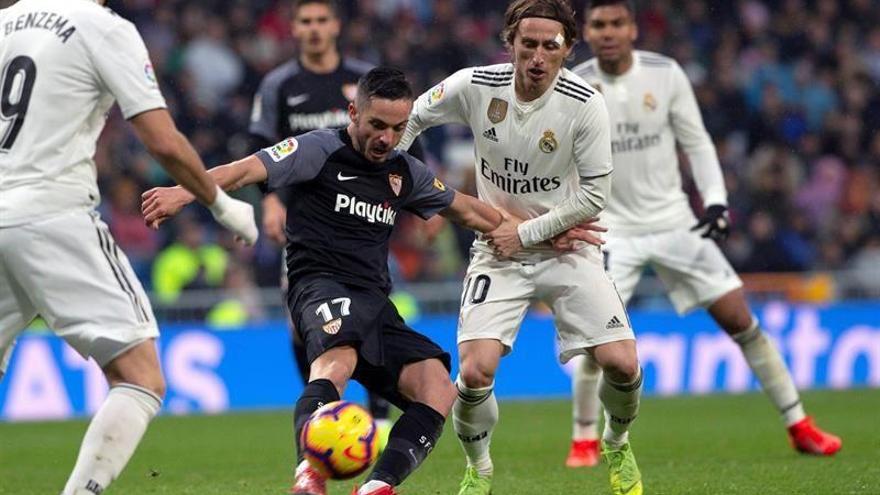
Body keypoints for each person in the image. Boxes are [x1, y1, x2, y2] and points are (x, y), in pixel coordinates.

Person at [142, 67, 585, 495]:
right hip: (318, 284)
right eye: (376, 125)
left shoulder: (403, 171)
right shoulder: (318, 149)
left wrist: (543, 229)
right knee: (337, 361)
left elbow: (469, 210)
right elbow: (244, 169)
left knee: (436, 387)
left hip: (374, 299)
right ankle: (309, 476)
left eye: (397, 128)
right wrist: (185, 192)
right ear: (354, 114)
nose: (386, 138)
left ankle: (376, 486)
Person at [564, 0, 842, 469]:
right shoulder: (574, 86)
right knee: (600, 339)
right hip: (613, 229)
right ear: (586, 32)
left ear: (632, 28)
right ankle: (584, 439)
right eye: (598, 24)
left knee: (740, 319)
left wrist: (715, 199)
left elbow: (696, 141)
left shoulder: (666, 73)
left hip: (675, 221)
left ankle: (799, 425)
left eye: (616, 23)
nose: (608, 32)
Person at [0, 1, 258, 494]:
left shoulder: (4, 23)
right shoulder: (102, 26)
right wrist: (221, 204)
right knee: (140, 375)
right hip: (53, 215)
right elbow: (161, 141)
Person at [398, 1, 644, 494]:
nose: (537, 56)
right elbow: (409, 119)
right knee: (473, 371)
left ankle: (616, 442)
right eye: (527, 44)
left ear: (568, 50)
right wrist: (398, 180)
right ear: (510, 43)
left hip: (566, 249)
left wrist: (527, 231)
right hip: (496, 251)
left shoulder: (584, 104)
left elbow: (596, 196)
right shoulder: (475, 86)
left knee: (622, 363)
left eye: (549, 46)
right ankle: (479, 468)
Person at [249, 0, 395, 441]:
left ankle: (381, 415)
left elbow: (399, 143)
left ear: (335, 25)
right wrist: (271, 202)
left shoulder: (363, 81)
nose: (314, 29)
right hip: (305, 227)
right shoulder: (279, 85)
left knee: (370, 314)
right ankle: (322, 409)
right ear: (293, 28)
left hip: (362, 221)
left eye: (321, 20)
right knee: (300, 323)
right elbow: (261, 147)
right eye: (305, 21)